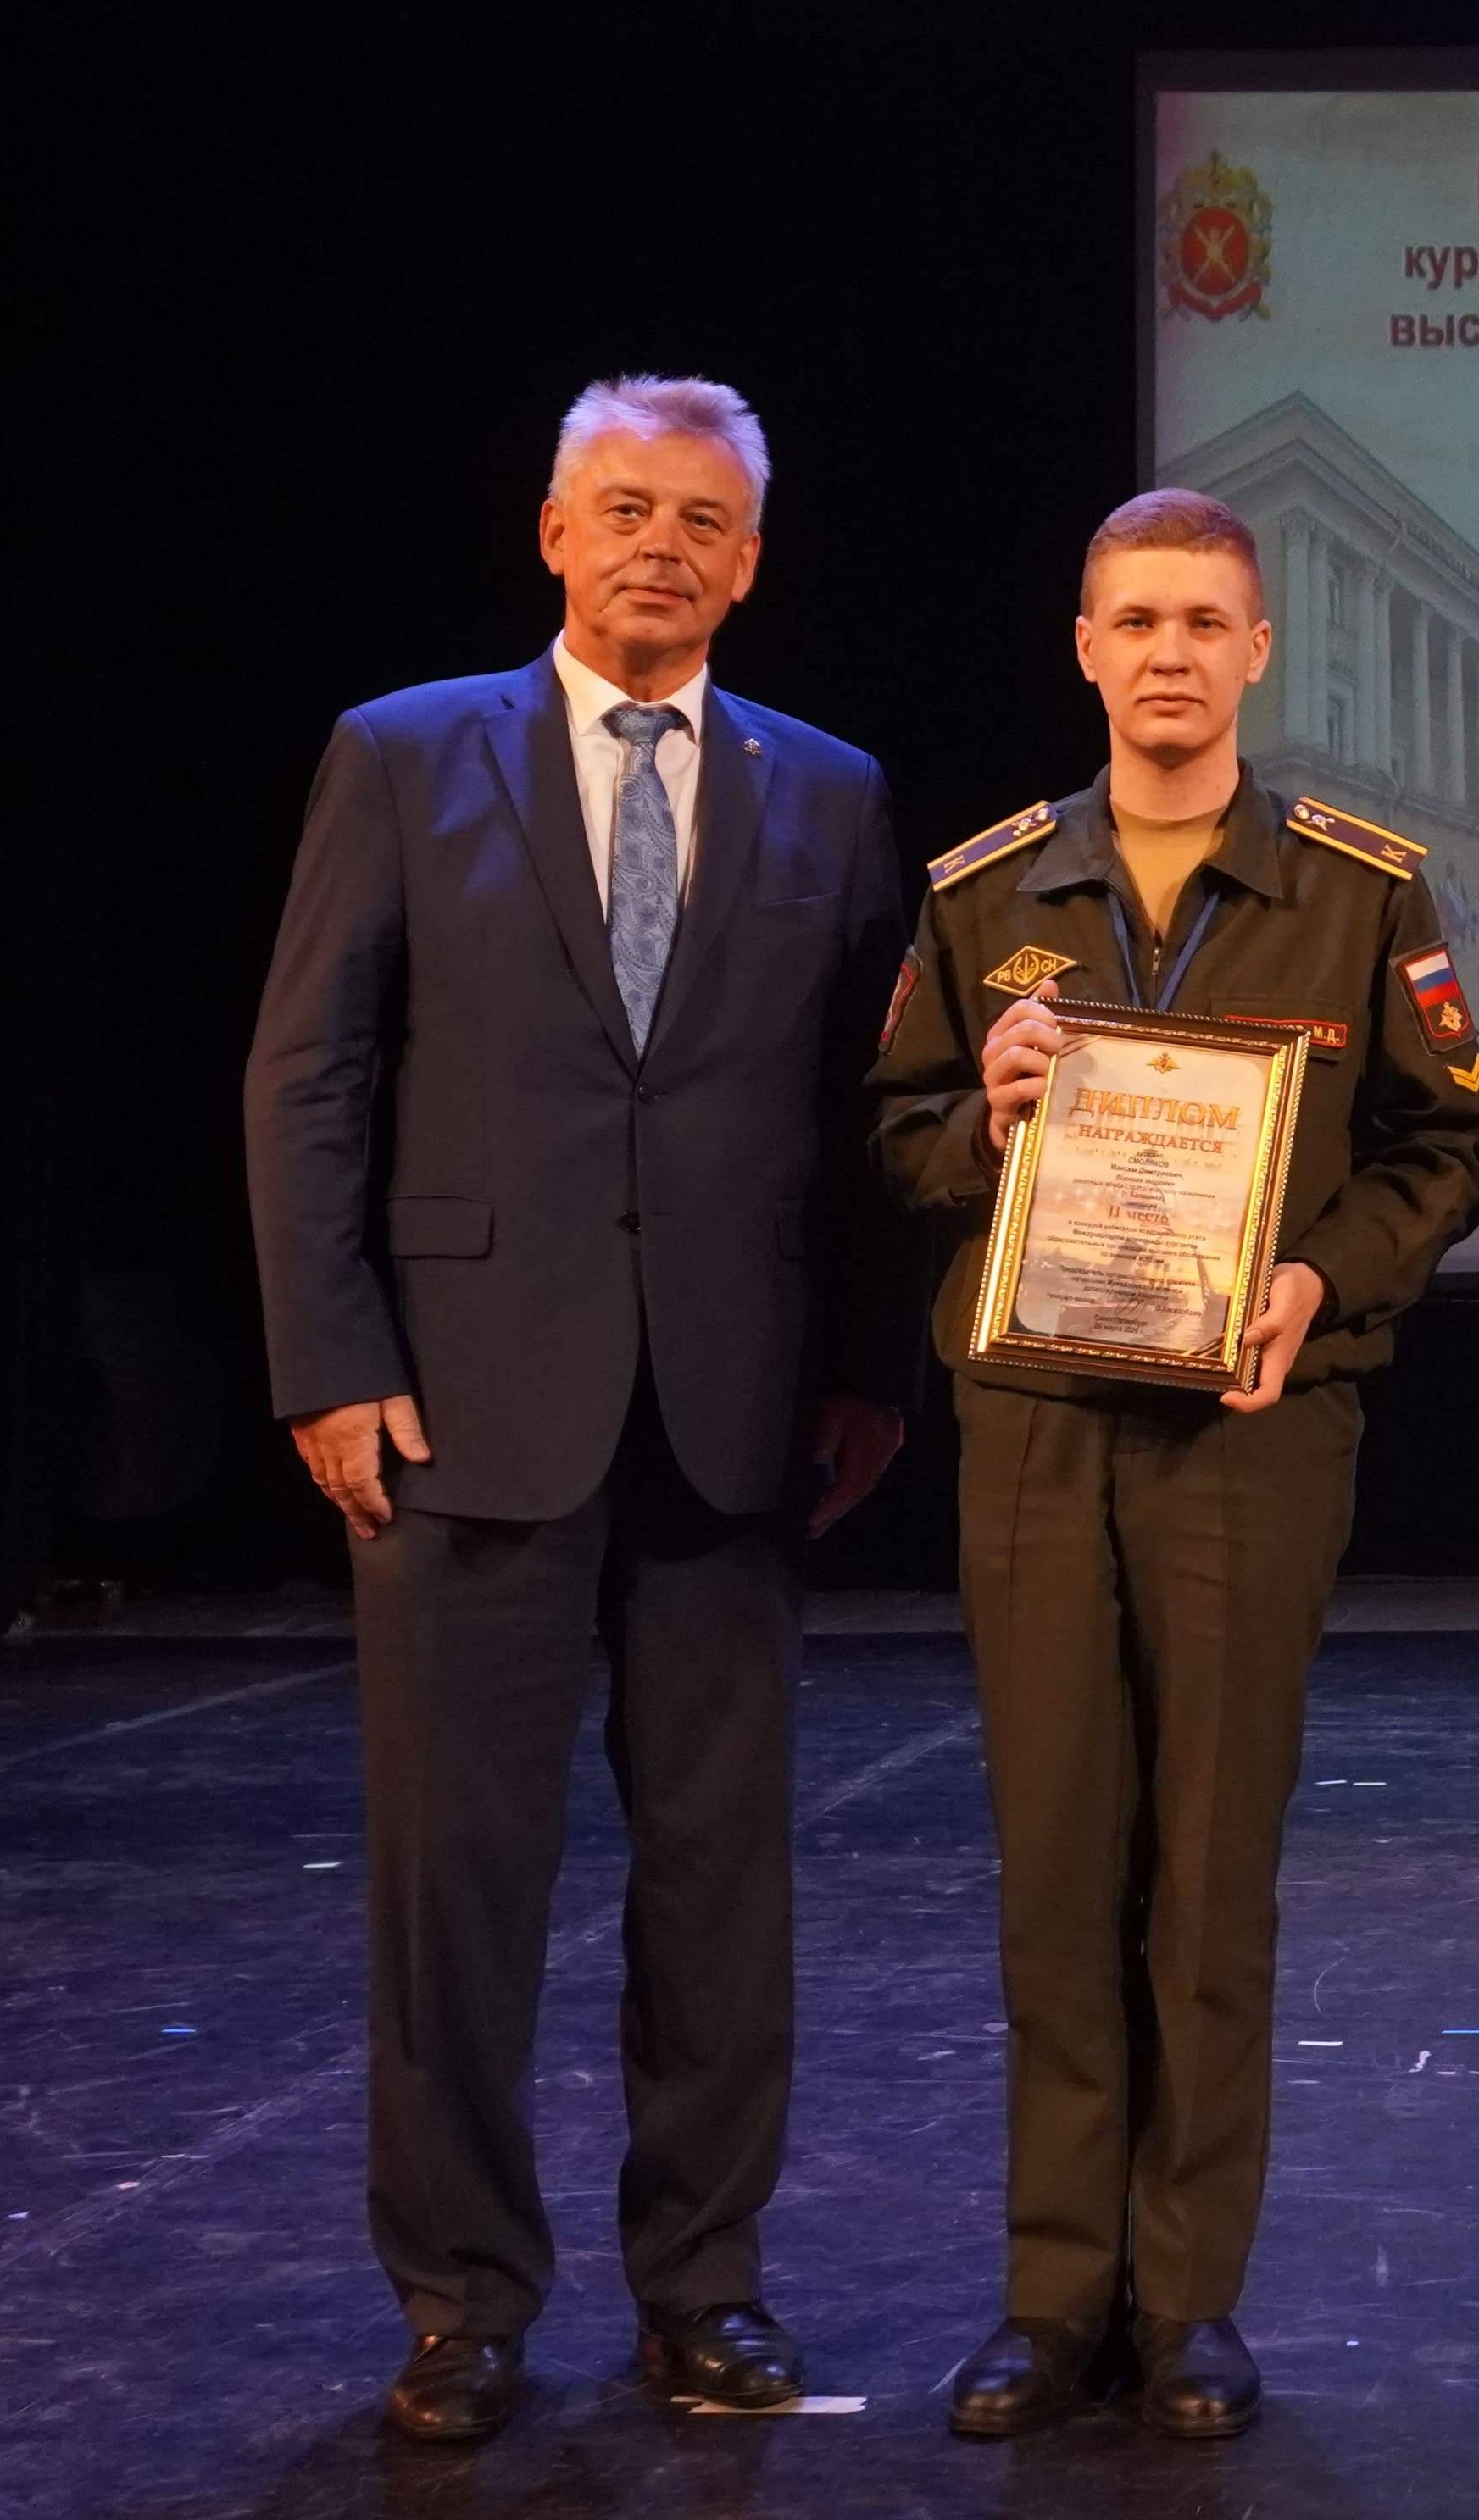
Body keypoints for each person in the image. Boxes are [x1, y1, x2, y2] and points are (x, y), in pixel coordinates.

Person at [242, 374, 909, 2442]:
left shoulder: (832, 791)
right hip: (461, 1404)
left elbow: (865, 1110)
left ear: (751, 562)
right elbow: (308, 1075)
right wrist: (331, 1355)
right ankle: (461, 2298)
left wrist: (870, 1364)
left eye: (702, 519)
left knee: (721, 1885)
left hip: (734, 1411)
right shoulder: (400, 752)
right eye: (625, 508)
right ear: (553, 531)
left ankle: (705, 2283)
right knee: (457, 1886)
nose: (660, 547)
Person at [868, 487, 1479, 2441]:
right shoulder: (987, 893)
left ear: (1256, 651)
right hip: (1038, 1424)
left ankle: (1192, 2296)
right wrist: (979, 1123)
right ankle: (1055, 2294)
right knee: (1058, 1865)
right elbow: (894, 1135)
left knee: (1212, 1873)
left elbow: (1446, 1146)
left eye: (1204, 620)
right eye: (1135, 618)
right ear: (1085, 645)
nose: (1168, 651)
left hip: (1252, 1427)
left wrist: (1322, 1274)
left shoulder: (1359, 889)